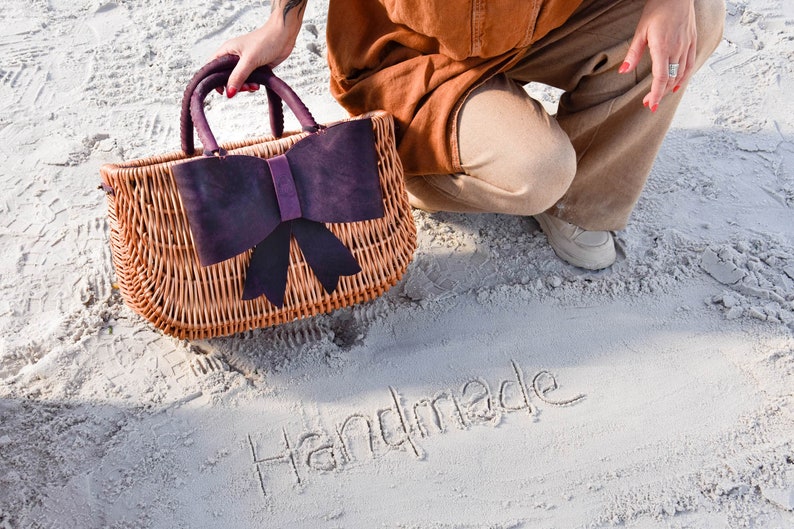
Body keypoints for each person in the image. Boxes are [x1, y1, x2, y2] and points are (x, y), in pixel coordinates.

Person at [213, 0, 726, 270]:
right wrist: (282, 22)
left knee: (698, 12)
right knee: (539, 170)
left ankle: (579, 203)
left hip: (540, 22)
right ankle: (407, 171)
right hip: (409, 53)